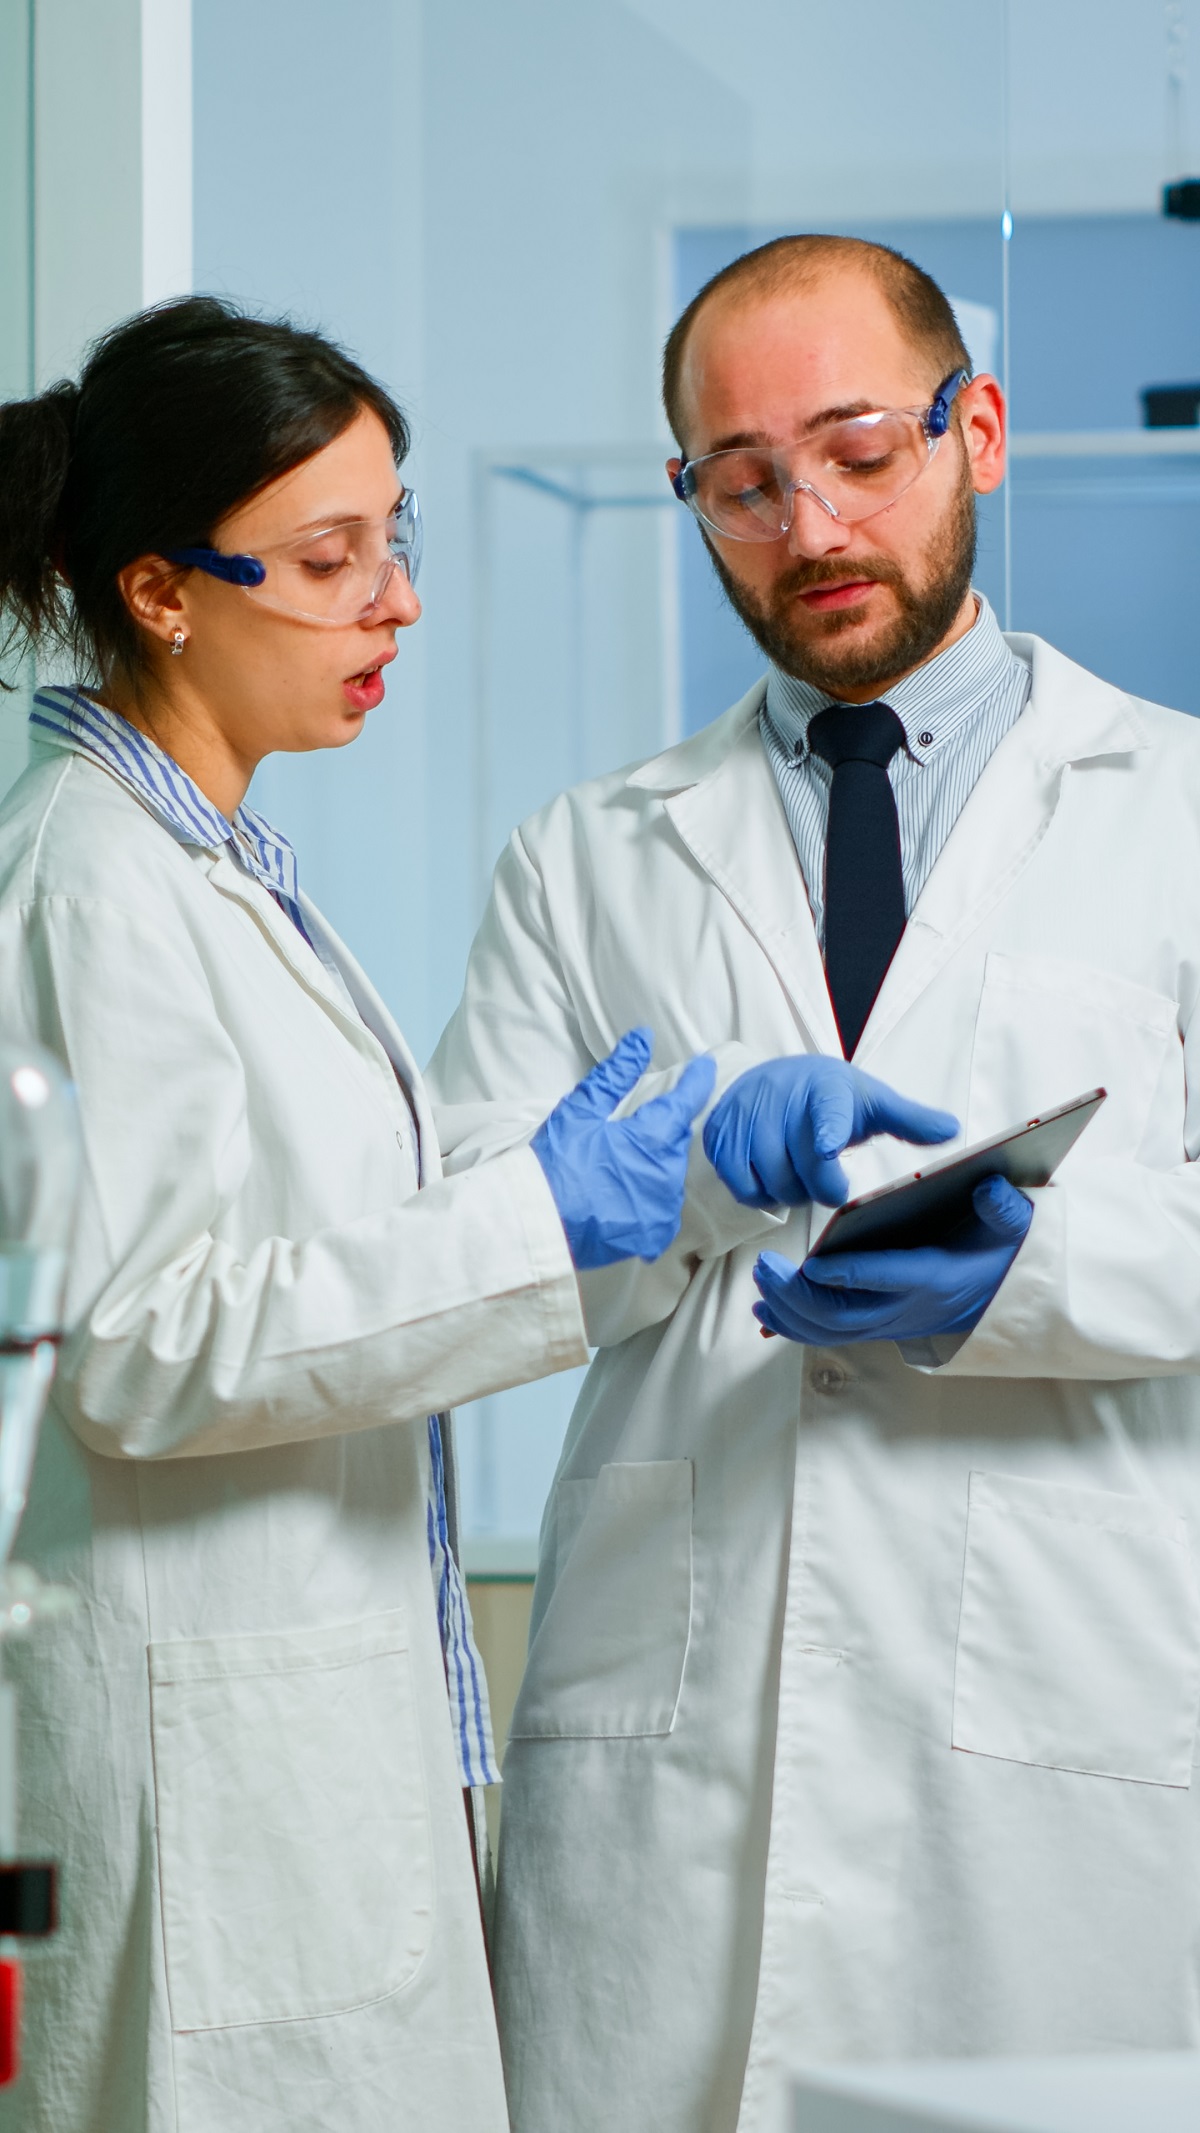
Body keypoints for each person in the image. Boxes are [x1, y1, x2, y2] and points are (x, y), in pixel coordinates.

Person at [428, 233, 1200, 2133]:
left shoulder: (1173, 811)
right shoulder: (586, 857)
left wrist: (1022, 1273)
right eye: (743, 480)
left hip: (1056, 1726)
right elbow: (450, 1247)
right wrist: (661, 1186)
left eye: (861, 450)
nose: (811, 521)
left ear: (980, 432)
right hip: (674, 1746)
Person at [0, 295, 715, 2133]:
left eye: (396, 542)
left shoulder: (209, 859)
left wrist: (521, 1190)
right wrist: (530, 1225)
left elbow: (292, 1257)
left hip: (302, 1758)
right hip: (207, 1783)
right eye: (330, 558)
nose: (394, 600)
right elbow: (145, 1344)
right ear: (162, 592)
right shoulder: (89, 882)